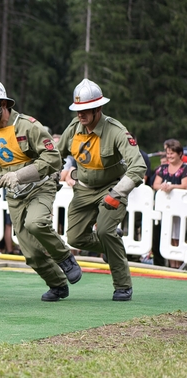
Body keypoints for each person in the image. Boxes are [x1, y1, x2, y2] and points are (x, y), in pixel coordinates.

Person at [0, 76, 82, 302]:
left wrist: (20, 174)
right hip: (15, 196)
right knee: (30, 253)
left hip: (40, 187)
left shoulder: (28, 125)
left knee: (36, 223)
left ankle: (65, 258)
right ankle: (57, 284)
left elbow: (53, 159)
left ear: (3, 104)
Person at [58, 78, 146, 301]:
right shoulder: (73, 128)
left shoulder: (116, 130)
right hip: (83, 189)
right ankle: (111, 245)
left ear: (98, 108)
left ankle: (123, 286)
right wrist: (49, 176)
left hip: (111, 188)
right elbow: (55, 156)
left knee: (106, 231)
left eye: (86, 109)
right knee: (74, 238)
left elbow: (138, 166)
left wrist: (117, 194)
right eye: (78, 110)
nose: (81, 114)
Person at [152, 139, 187, 268]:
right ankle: (172, 265)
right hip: (166, 208)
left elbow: (185, 185)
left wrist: (172, 187)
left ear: (179, 154)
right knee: (168, 236)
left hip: (180, 209)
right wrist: (163, 186)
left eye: (172, 153)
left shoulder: (185, 168)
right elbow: (155, 184)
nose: (170, 156)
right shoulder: (163, 168)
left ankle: (178, 265)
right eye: (168, 153)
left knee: (178, 236)